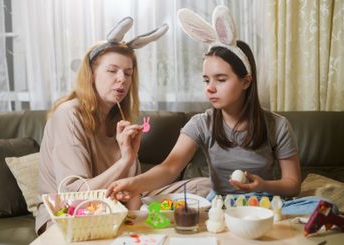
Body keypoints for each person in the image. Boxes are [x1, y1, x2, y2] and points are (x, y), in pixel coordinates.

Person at [106, 6, 303, 205]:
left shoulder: (277, 125)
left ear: (246, 81)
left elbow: (293, 184)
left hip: (264, 206)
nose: (210, 88)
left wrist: (262, 185)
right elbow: (170, 168)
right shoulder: (201, 124)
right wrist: (134, 183)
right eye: (206, 80)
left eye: (221, 79)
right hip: (220, 208)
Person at [35, 17, 169, 235]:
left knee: (198, 188)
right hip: (67, 218)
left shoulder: (121, 118)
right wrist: (126, 159)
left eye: (128, 73)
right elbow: (75, 196)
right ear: (92, 74)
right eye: (112, 70)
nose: (122, 80)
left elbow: (130, 190)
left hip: (110, 210)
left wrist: (140, 221)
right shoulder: (68, 115)